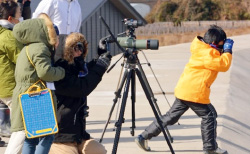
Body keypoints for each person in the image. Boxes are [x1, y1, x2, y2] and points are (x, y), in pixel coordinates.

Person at [135, 25, 234, 154]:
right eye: (221, 44)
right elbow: (223, 65)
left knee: (171, 117)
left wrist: (222, 50)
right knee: (209, 116)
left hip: (184, 90)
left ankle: (144, 136)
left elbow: (215, 58)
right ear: (214, 43)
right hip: (195, 92)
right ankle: (210, 148)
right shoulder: (208, 53)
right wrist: (227, 51)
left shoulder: (202, 48)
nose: (222, 46)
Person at [8, 13, 65, 154]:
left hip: (27, 94)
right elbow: (45, 72)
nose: (57, 39)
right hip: (35, 97)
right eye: (56, 36)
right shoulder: (40, 48)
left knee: (30, 137)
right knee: (47, 135)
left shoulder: (29, 47)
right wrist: (61, 72)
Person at [49, 32, 111, 154]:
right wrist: (100, 66)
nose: (79, 52)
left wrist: (101, 56)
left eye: (82, 47)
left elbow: (86, 70)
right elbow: (82, 87)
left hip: (78, 135)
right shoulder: (58, 72)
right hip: (59, 136)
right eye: (75, 47)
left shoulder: (74, 66)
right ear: (65, 49)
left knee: (99, 151)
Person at [0, 0, 23, 146]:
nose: (20, 18)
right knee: (22, 127)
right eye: (19, 15)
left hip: (3, 84)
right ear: (10, 18)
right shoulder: (8, 36)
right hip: (9, 86)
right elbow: (22, 59)